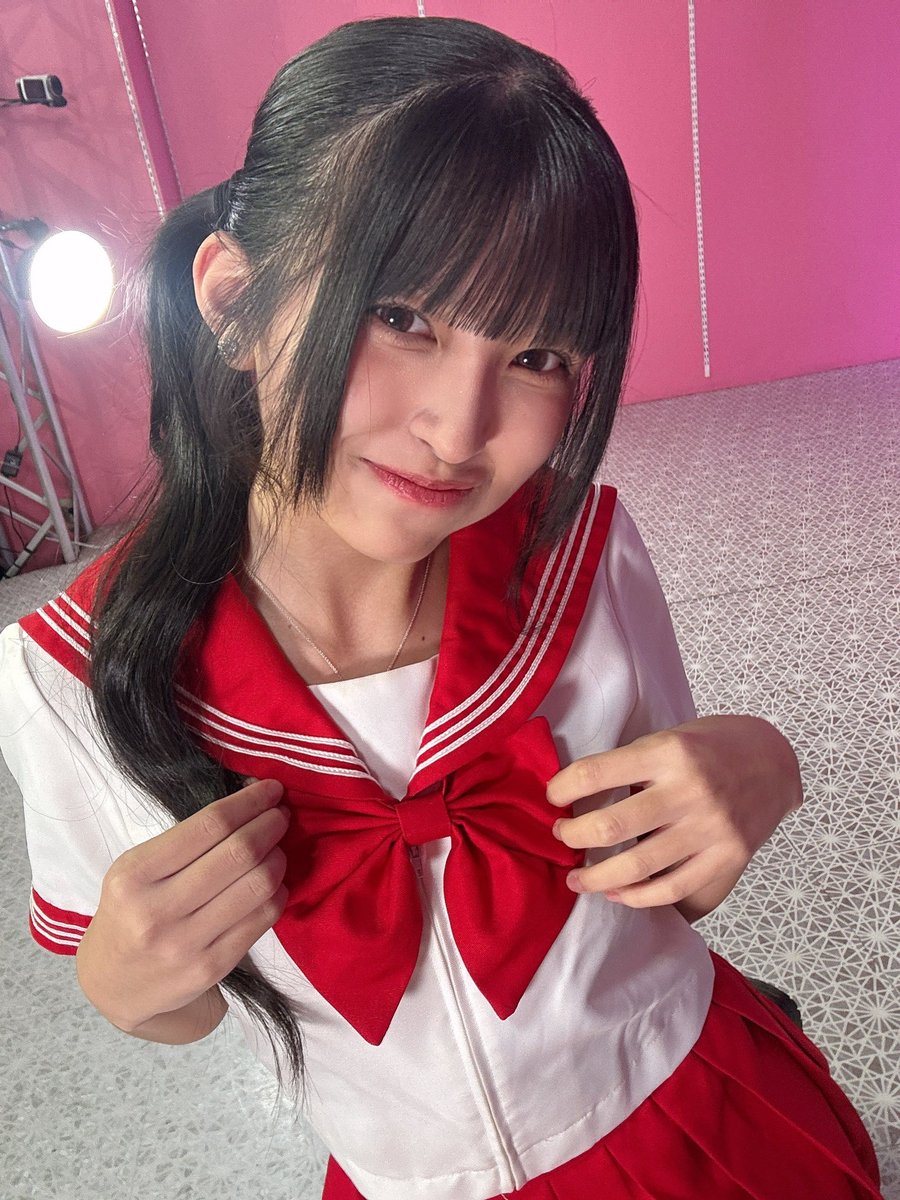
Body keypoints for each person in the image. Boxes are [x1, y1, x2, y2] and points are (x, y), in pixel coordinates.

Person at [0, 16, 882, 1200]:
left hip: (695, 1120)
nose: (458, 430)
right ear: (237, 303)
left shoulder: (581, 556)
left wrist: (761, 764)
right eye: (402, 316)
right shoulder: (63, 677)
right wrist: (120, 984)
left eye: (539, 356)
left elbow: (675, 865)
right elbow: (174, 1001)